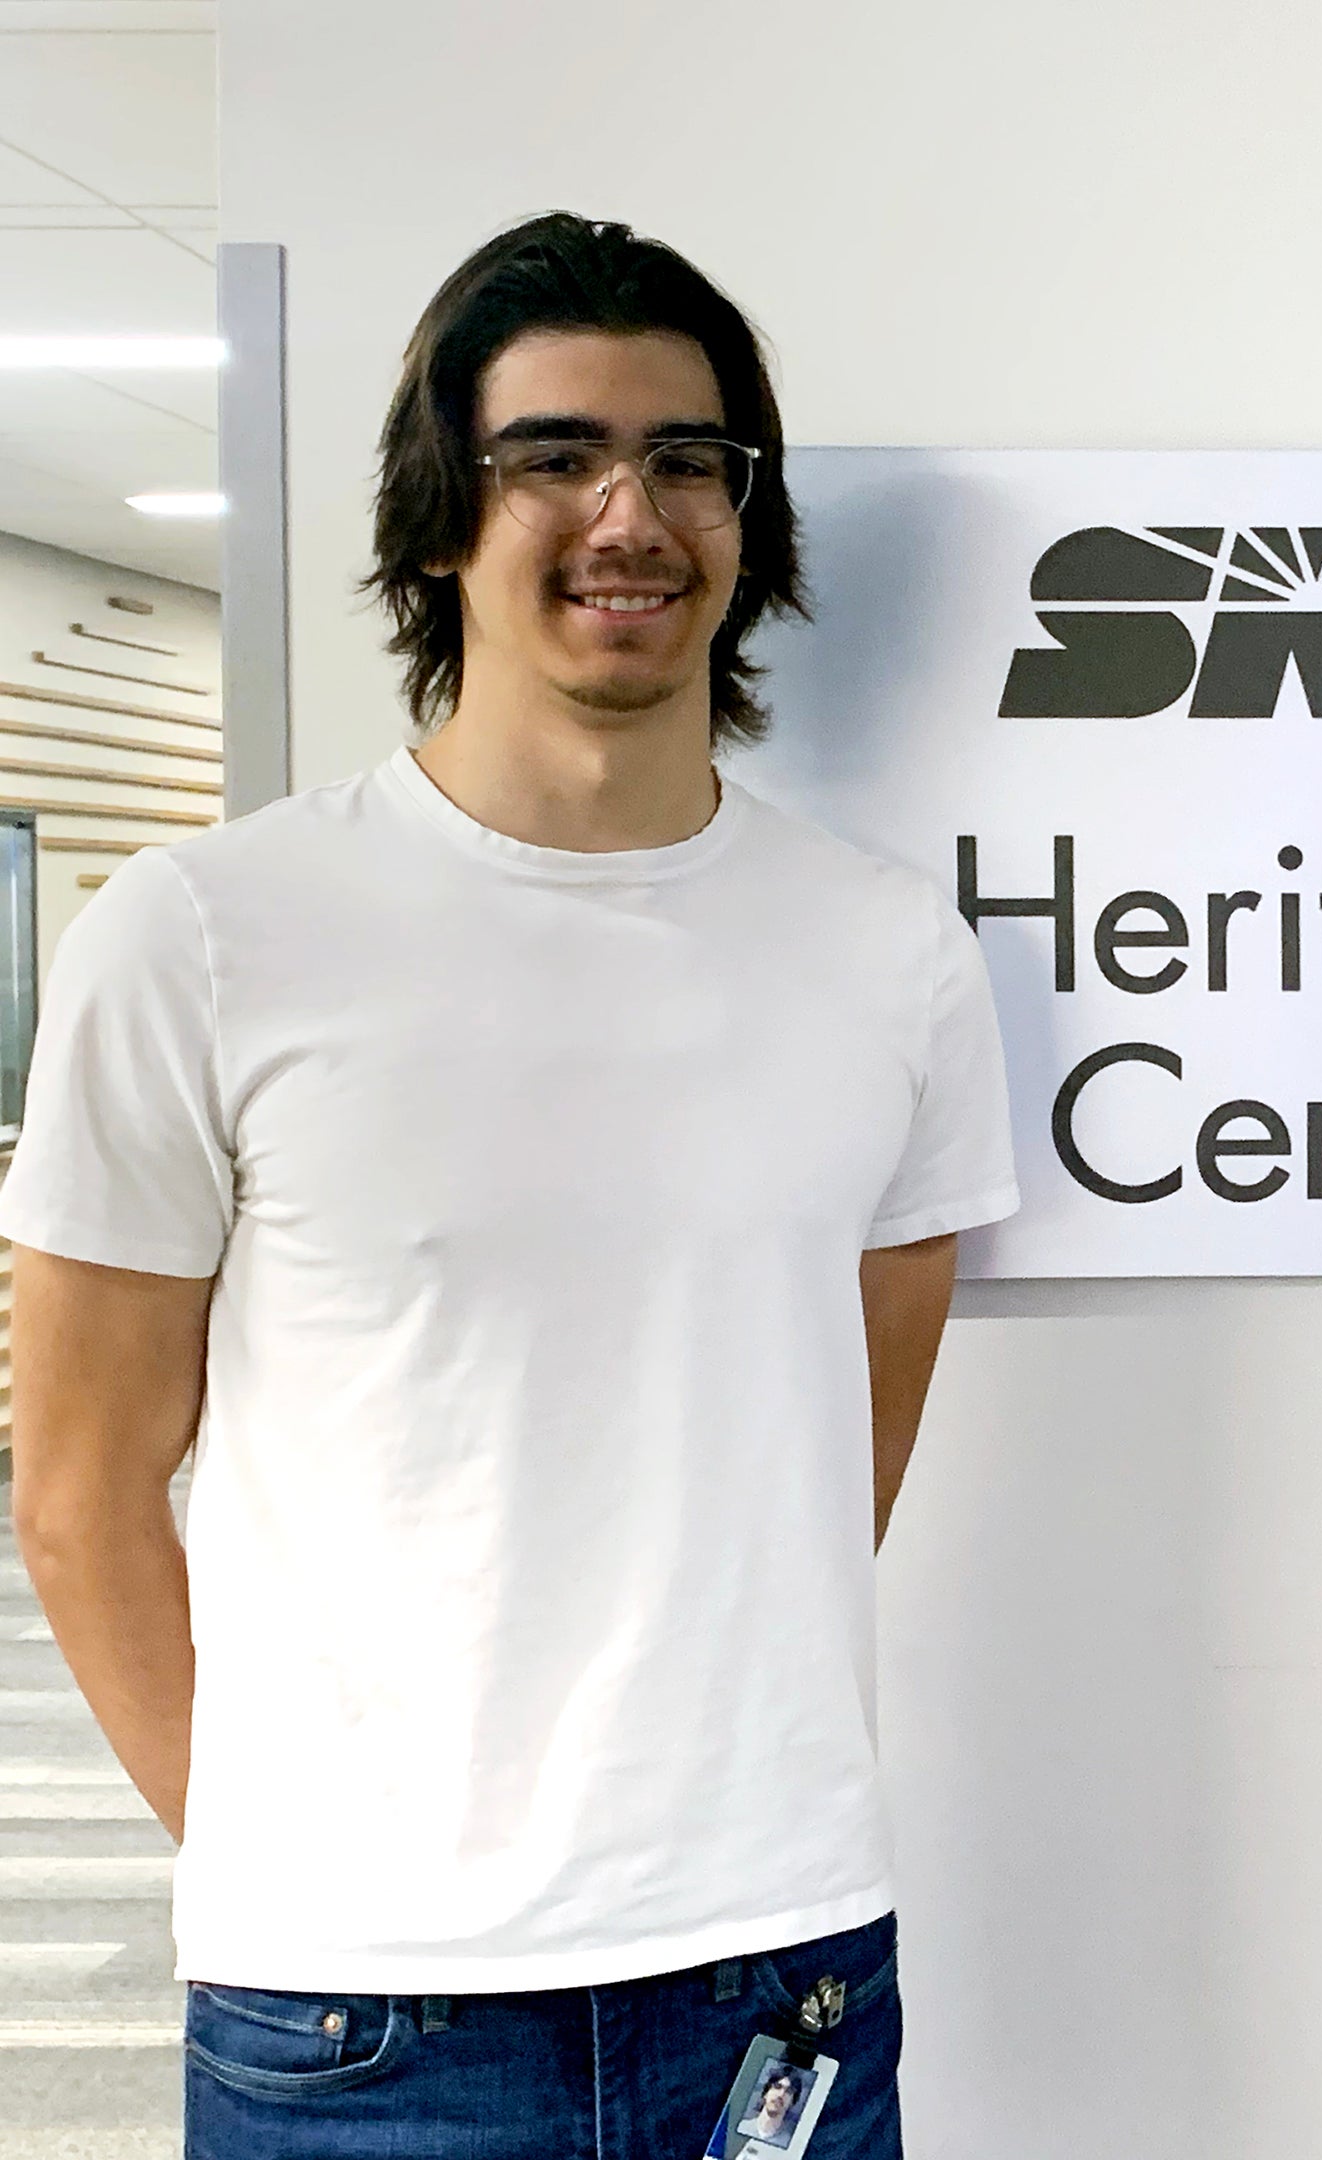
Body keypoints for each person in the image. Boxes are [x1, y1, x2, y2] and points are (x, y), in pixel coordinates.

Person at [2, 214, 1016, 2157]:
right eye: (553, 454)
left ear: (748, 517)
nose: (627, 513)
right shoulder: (209, 936)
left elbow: (843, 1428)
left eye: (687, 461)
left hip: (776, 1967)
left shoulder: (894, 958)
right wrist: (290, 1869)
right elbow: (74, 1492)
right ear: (440, 518)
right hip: (360, 2012)